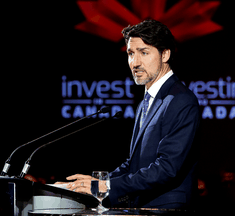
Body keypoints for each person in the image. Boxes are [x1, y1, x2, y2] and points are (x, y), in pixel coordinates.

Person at [58, 19, 200, 210]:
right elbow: (135, 164)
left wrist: (106, 186)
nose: (135, 62)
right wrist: (98, 182)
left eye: (144, 52)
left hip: (166, 209)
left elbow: (167, 168)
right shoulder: (146, 102)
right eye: (131, 54)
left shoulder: (180, 100)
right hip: (143, 207)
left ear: (165, 54)